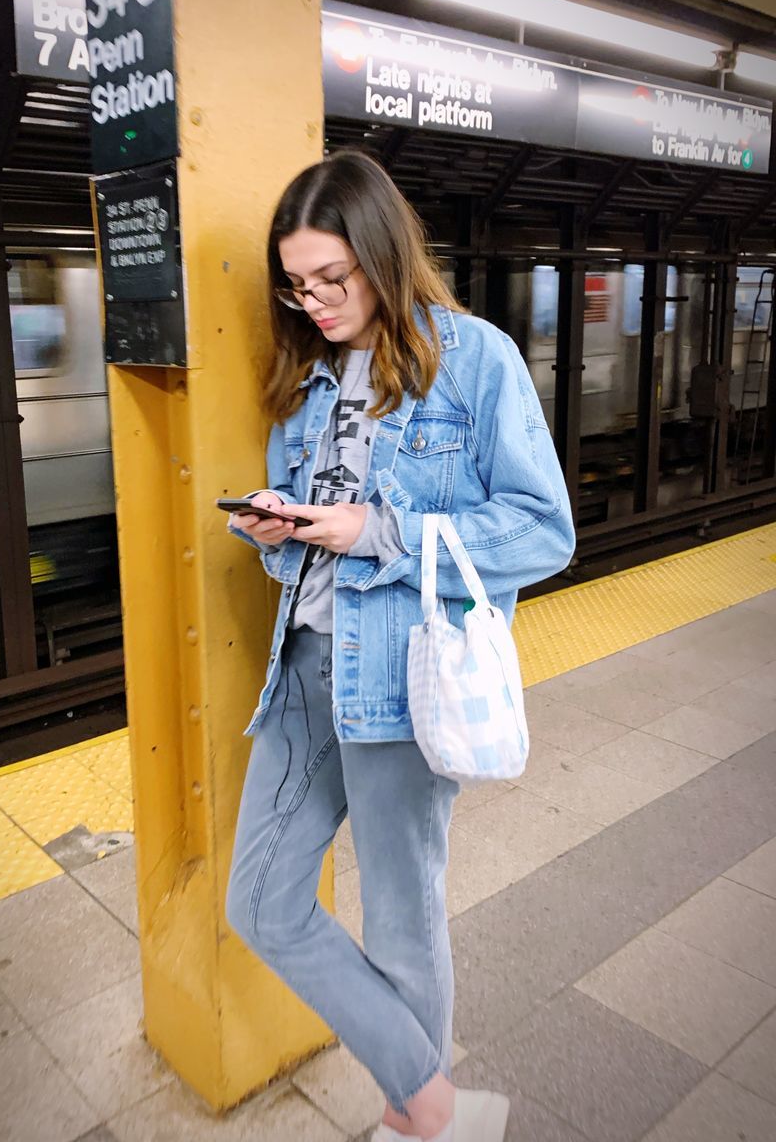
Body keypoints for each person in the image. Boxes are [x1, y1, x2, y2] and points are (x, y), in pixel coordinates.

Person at [225, 150, 575, 1142]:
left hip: (403, 675)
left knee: (403, 916)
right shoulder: (307, 378)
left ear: (384, 252)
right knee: (261, 901)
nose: (316, 300)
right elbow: (308, 544)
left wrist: (380, 529)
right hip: (301, 671)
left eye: (333, 277)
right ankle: (433, 1099)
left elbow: (544, 529)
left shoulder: (473, 361)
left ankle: (412, 1112)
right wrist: (280, 532)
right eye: (298, 283)